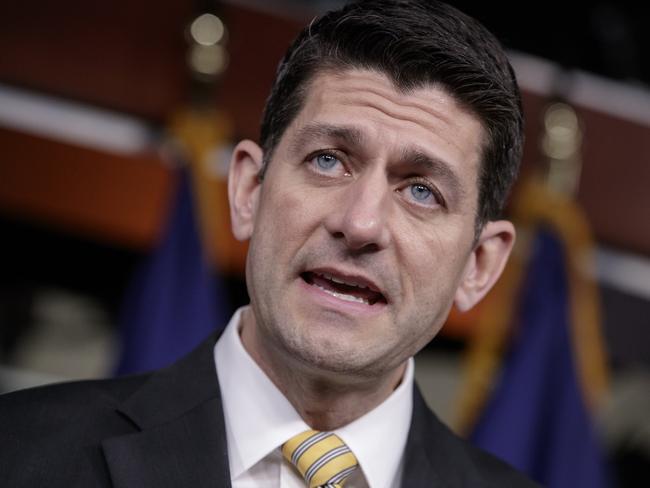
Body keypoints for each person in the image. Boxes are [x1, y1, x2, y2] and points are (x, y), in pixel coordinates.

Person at [0, 1, 538, 486]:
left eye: (422, 190)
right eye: (328, 159)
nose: (361, 223)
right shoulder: (18, 453)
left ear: (479, 266)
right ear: (247, 192)